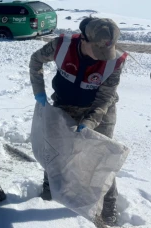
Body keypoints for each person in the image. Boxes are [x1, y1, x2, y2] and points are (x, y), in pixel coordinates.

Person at [29, 17, 127, 226]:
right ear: (84, 39)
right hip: (65, 103)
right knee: (55, 147)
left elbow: (106, 97)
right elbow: (35, 61)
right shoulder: (61, 46)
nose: (103, 57)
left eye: (106, 52)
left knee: (100, 154)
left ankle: (108, 206)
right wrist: (39, 91)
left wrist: (91, 121)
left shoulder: (115, 60)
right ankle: (50, 190)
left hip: (99, 108)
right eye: (97, 51)